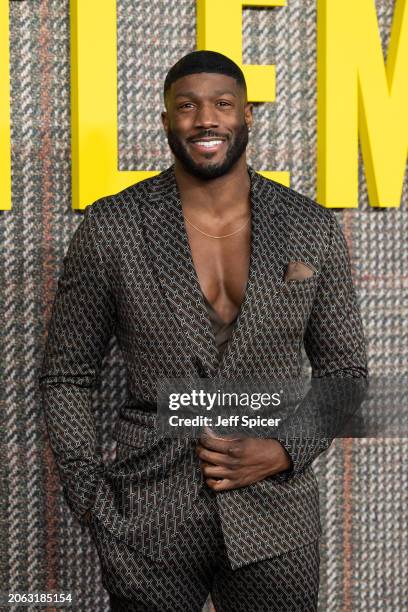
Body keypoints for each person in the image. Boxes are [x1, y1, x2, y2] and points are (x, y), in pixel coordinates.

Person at [39, 50, 368, 611]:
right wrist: (91, 497)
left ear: (246, 116)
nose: (205, 119)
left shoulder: (309, 227)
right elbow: (66, 374)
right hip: (147, 516)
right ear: (166, 120)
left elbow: (345, 372)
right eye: (186, 106)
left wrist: (284, 450)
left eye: (222, 104)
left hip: (275, 518)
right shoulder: (113, 226)